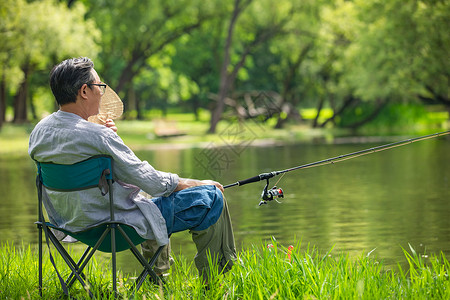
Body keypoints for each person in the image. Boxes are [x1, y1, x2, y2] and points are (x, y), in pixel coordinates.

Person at [28, 57, 237, 282]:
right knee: (212, 198)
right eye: (99, 87)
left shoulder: (39, 133)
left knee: (149, 198)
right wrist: (194, 182)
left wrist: (108, 140)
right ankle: (213, 285)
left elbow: (75, 147)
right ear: (85, 91)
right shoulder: (98, 136)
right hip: (115, 228)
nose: (102, 92)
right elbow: (153, 183)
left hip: (71, 224)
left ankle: (157, 279)